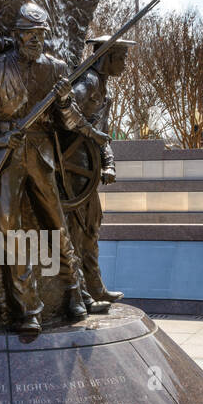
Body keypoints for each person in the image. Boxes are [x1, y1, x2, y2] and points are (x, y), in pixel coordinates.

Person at [0, 2, 99, 336]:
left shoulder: (57, 68)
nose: (36, 40)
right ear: (17, 35)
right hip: (6, 160)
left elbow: (69, 121)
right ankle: (30, 307)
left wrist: (62, 101)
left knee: (57, 224)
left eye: (41, 35)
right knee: (9, 232)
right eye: (30, 34)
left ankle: (75, 292)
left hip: (42, 155)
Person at [65, 34, 132, 309]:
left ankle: (95, 288)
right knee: (77, 234)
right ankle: (80, 295)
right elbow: (64, 115)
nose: (125, 65)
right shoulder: (88, 83)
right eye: (122, 58)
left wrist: (109, 163)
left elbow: (102, 136)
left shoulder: (102, 87)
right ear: (108, 57)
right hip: (73, 172)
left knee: (91, 229)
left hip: (87, 170)